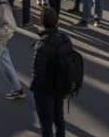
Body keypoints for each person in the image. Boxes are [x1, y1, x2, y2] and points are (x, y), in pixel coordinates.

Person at [31, 8, 72, 137]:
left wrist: (34, 88)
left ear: (42, 22)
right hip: (60, 86)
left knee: (46, 123)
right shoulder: (65, 39)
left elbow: (38, 71)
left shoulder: (42, 45)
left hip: (45, 89)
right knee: (59, 118)